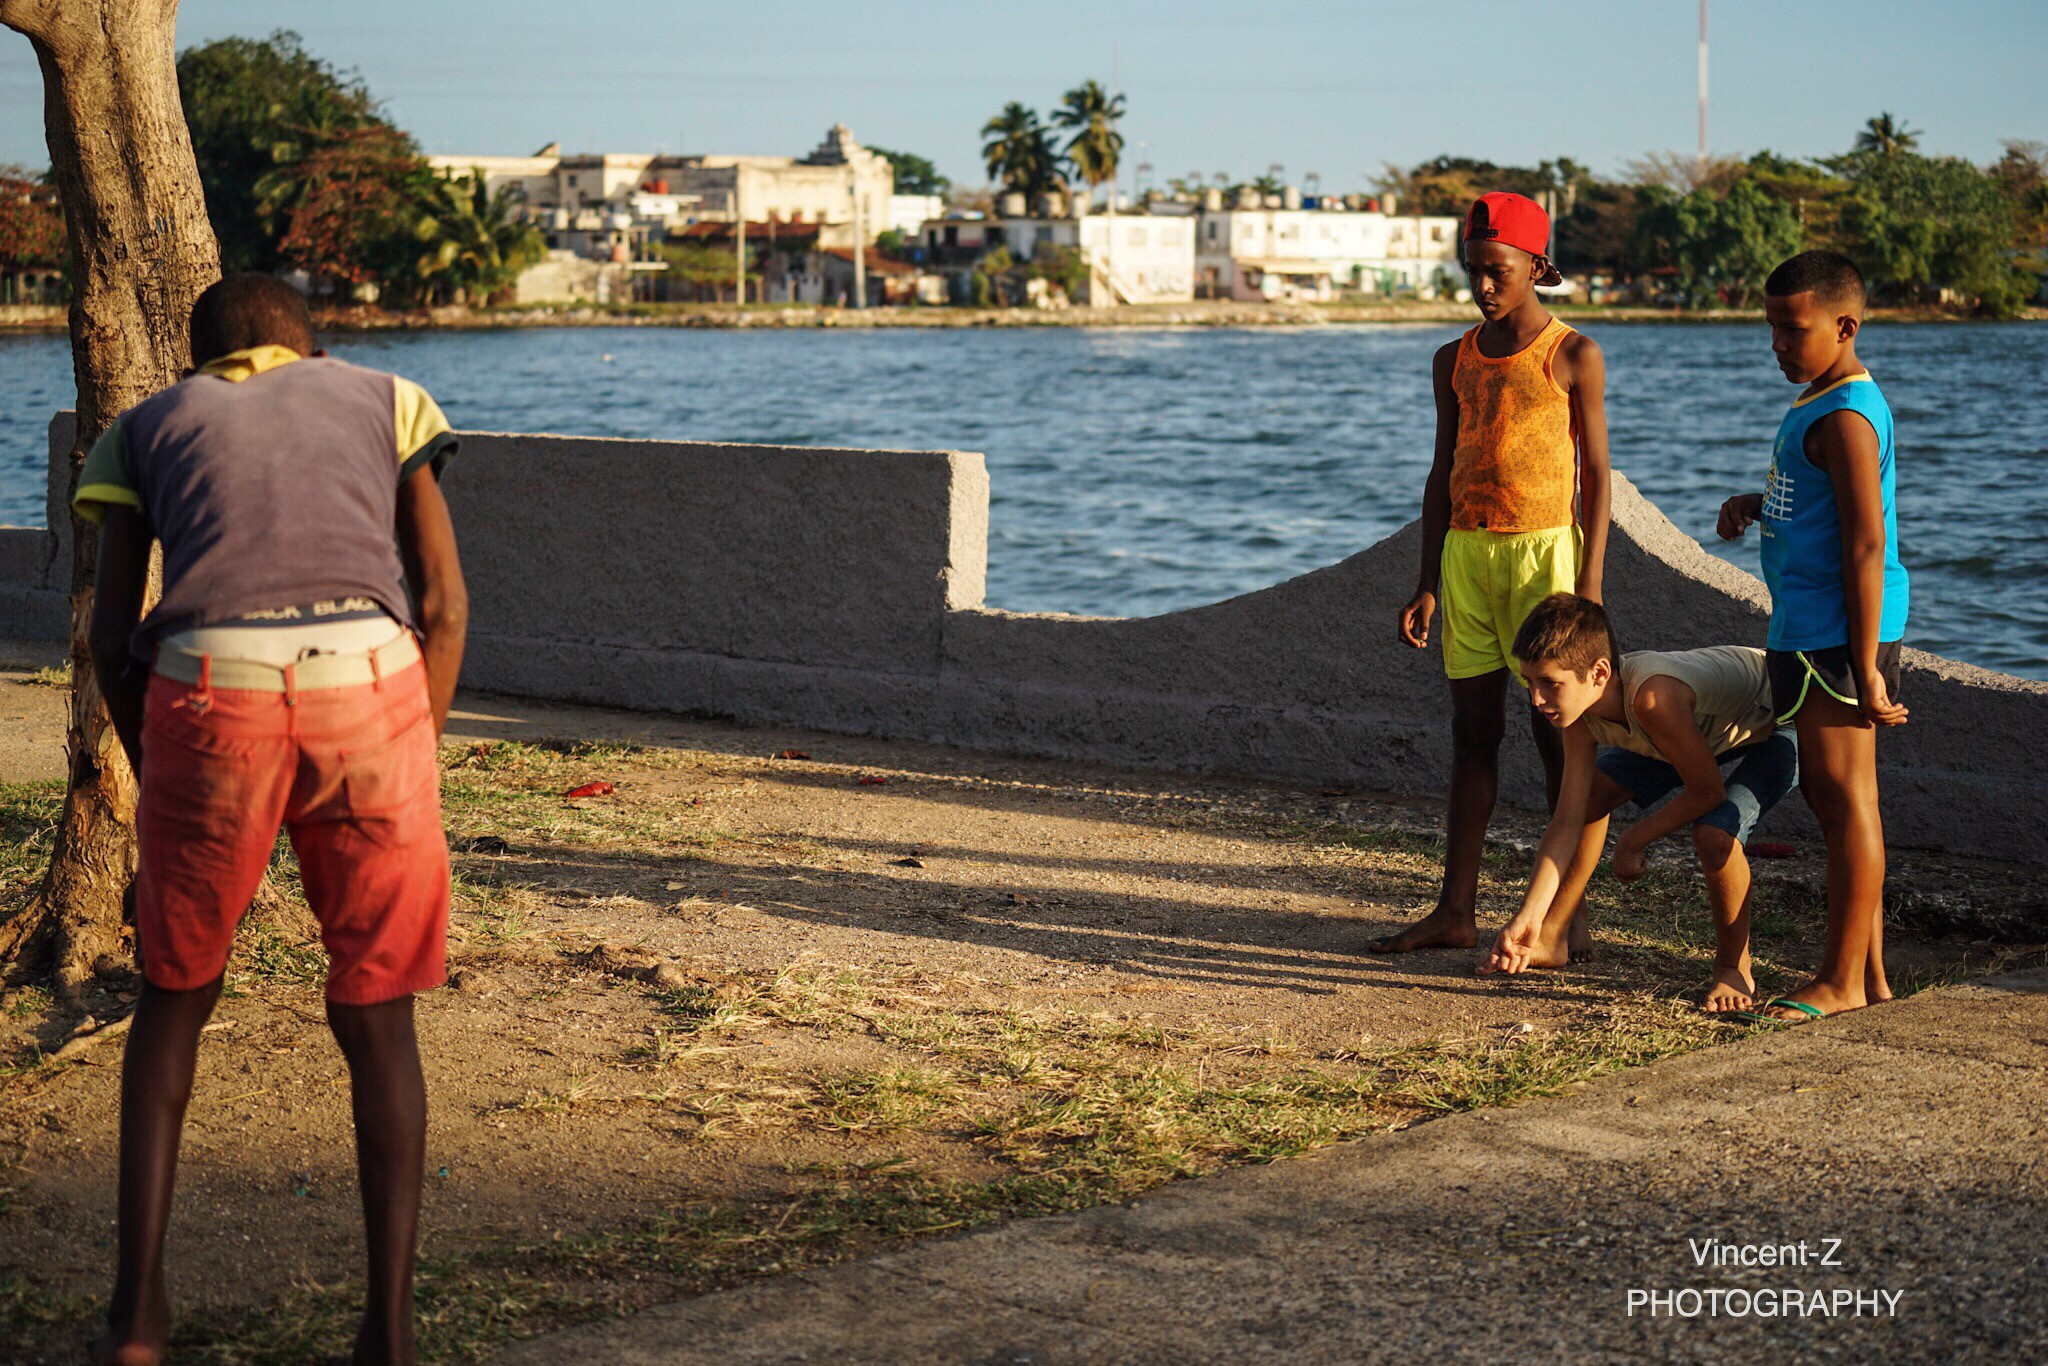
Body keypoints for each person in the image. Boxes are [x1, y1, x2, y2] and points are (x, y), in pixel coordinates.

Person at [79, 274, 469, 1366]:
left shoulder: (140, 429)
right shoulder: (389, 399)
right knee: (378, 1012)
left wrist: (163, 769)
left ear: (198, 360)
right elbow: (441, 603)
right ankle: (386, 1333)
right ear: (313, 349)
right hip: (369, 683)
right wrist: (410, 743)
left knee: (175, 994)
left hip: (211, 688)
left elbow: (112, 633)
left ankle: (138, 1320)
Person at [1378, 191, 1612, 953]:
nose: (1482, 287)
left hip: (1545, 556)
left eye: (1497, 270)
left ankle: (1565, 914)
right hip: (1467, 558)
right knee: (1473, 735)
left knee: (1559, 740)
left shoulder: (1572, 355)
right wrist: (1427, 578)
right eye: (1473, 271)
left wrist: (1591, 588)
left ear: (1537, 267)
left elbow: (1598, 479)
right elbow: (1441, 468)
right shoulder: (1453, 360)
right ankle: (1455, 909)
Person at [1716, 249, 1908, 1022]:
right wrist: (1756, 503)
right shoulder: (1817, 405)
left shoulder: (1848, 415)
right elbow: (1820, 509)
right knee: (1837, 801)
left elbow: (1868, 542)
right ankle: (1872, 974)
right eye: (1771, 329)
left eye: (1793, 331)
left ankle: (1842, 981)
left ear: (1845, 326)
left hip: (1840, 636)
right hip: (1810, 626)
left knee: (1844, 802)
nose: (1778, 345)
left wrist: (1864, 665)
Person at [1478, 594, 1798, 1012]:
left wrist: (1633, 839)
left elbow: (1707, 792)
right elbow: (1568, 819)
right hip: (1699, 731)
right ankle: (1553, 934)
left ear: (1599, 673)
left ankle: (1732, 968)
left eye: (1549, 684)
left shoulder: (1652, 698)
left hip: (1782, 716)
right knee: (1589, 798)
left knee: (1715, 832)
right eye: (1529, 682)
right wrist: (1529, 917)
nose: (1536, 700)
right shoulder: (1579, 714)